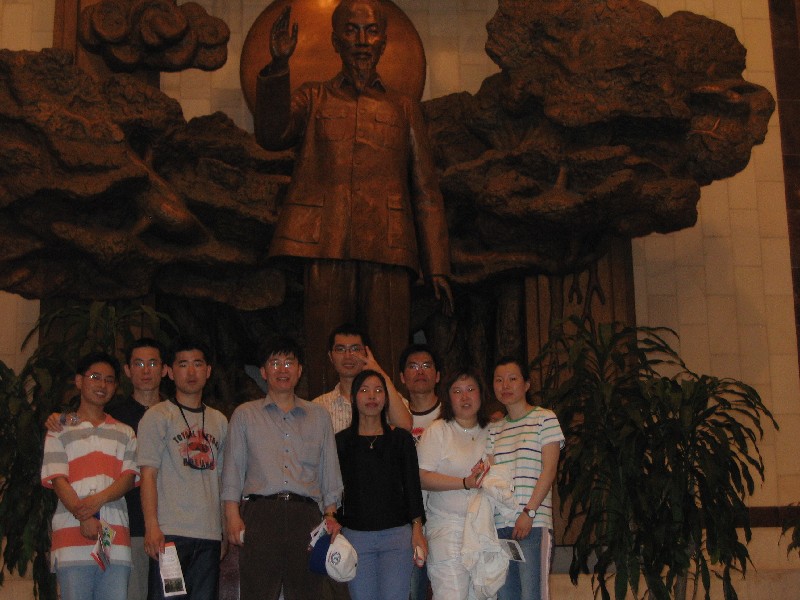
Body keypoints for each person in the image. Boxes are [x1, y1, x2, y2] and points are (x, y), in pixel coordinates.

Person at [255, 0, 453, 397]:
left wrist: (438, 265)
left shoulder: (403, 107)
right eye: (351, 30)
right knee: (325, 352)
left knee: (388, 353)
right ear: (335, 41)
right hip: (325, 241)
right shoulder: (315, 98)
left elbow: (426, 190)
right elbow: (272, 133)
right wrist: (278, 67)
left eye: (371, 30)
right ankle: (325, 428)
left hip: (389, 246)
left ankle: (389, 428)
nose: (362, 40)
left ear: (384, 41)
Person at [45, 337, 168, 600]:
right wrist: (83, 515)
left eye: (109, 380)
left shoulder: (124, 431)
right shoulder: (60, 428)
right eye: (95, 378)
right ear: (79, 381)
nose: (102, 385)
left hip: (116, 540)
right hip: (71, 540)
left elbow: (128, 477)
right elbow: (57, 479)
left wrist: (95, 503)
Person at [222, 337, 343, 600]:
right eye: (275, 363)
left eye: (289, 362)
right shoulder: (245, 415)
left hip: (306, 516)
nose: (282, 369)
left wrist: (331, 514)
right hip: (260, 514)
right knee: (257, 592)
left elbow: (329, 470)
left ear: (299, 370)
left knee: (308, 592)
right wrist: (232, 515)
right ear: (263, 372)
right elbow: (232, 469)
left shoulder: (319, 416)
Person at [137, 336, 228, 600]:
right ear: (169, 371)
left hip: (208, 533)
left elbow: (222, 480)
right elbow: (148, 475)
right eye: (183, 364)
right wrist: (152, 526)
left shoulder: (219, 421)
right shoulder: (157, 416)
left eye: (197, 364)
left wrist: (221, 531)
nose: (191, 372)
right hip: (170, 533)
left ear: (208, 371)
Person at [335, 369, 426, 600]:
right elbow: (334, 488)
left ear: (386, 397)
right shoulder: (341, 442)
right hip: (356, 537)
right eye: (364, 390)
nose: (372, 396)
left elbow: (412, 487)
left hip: (397, 537)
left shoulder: (401, 440)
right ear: (353, 397)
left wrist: (417, 529)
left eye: (378, 390)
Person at [487, 357, 565, 600]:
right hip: (501, 525)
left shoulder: (544, 418)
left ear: (527, 384)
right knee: (506, 595)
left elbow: (549, 470)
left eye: (512, 379)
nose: (505, 385)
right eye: (499, 380)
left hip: (533, 523)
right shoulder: (494, 429)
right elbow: (491, 477)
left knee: (533, 594)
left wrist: (528, 512)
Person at [417, 368, 492, 599]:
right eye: (457, 391)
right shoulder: (438, 431)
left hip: (484, 529)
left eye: (471, 389)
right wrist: (464, 482)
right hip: (447, 528)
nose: (465, 396)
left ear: (481, 394)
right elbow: (421, 477)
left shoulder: (493, 431)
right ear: (448, 397)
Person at [314, 323, 412, 433]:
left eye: (355, 349)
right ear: (331, 356)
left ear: (367, 353)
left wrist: (380, 373)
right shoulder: (319, 406)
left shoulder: (385, 396)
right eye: (340, 349)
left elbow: (405, 427)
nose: (348, 356)